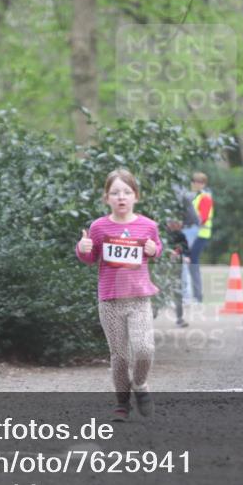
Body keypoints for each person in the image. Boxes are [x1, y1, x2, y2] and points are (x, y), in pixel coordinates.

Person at [76, 168, 162, 421]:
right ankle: (122, 404)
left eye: (126, 192)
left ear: (136, 196)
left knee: (144, 348)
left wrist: (153, 249)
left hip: (139, 298)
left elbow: (157, 248)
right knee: (120, 355)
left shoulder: (148, 225)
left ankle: (141, 384)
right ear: (106, 198)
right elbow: (90, 258)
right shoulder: (99, 227)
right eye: (115, 193)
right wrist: (82, 248)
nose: (121, 197)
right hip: (110, 299)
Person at [185, 172, 214, 303]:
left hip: (200, 234)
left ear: (203, 184)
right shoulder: (195, 196)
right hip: (194, 233)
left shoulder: (205, 197)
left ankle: (197, 295)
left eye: (198, 182)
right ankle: (194, 294)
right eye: (194, 181)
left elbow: (203, 218)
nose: (195, 184)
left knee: (193, 262)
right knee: (190, 262)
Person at [164, 220, 189, 328]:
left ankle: (179, 318)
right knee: (159, 288)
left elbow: (185, 248)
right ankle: (153, 312)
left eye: (179, 223)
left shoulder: (181, 235)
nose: (177, 225)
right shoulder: (162, 233)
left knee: (177, 291)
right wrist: (168, 252)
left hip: (176, 266)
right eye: (173, 222)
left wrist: (179, 252)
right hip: (162, 267)